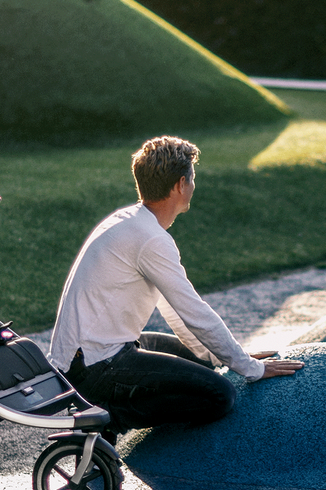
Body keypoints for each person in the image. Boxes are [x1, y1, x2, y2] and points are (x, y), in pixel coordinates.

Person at [48, 135, 304, 437]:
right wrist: (249, 368)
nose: (194, 186)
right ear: (181, 185)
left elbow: (174, 310)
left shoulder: (133, 223)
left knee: (201, 361)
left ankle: (109, 407)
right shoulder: (151, 240)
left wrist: (222, 358)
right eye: (192, 179)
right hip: (94, 368)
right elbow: (194, 311)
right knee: (220, 395)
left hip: (87, 356)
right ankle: (109, 419)